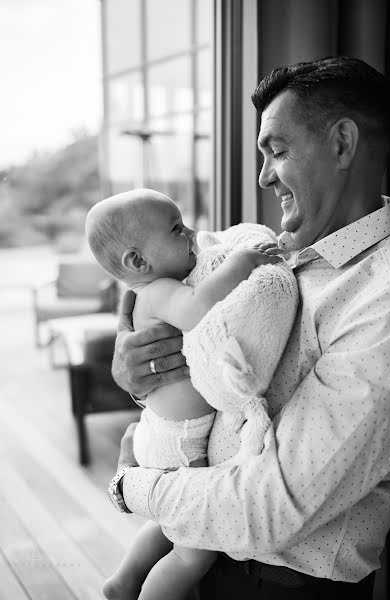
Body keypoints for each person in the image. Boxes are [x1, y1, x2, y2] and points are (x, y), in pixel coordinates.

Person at [110, 56, 390, 600]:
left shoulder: (386, 302)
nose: (264, 176)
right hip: (198, 556)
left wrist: (132, 486)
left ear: (342, 144)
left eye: (278, 151)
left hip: (281, 585)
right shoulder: (260, 249)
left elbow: (275, 507)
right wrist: (137, 366)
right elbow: (163, 301)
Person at [85, 189, 283, 600]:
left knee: (166, 525)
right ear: (138, 261)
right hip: (180, 439)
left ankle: (123, 580)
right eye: (177, 229)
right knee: (195, 553)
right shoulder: (159, 291)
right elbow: (197, 308)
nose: (192, 233)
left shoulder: (149, 292)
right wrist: (242, 263)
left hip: (163, 428)